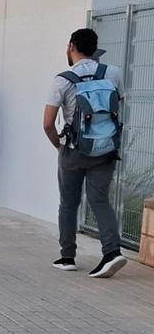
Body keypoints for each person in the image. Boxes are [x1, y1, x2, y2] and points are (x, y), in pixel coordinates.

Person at [44, 28, 127, 278]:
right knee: (100, 200)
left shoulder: (63, 79)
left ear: (71, 46)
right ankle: (112, 252)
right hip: (106, 148)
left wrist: (59, 144)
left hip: (74, 149)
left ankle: (67, 257)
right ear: (95, 48)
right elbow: (118, 103)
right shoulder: (113, 73)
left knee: (68, 204)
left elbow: (48, 123)